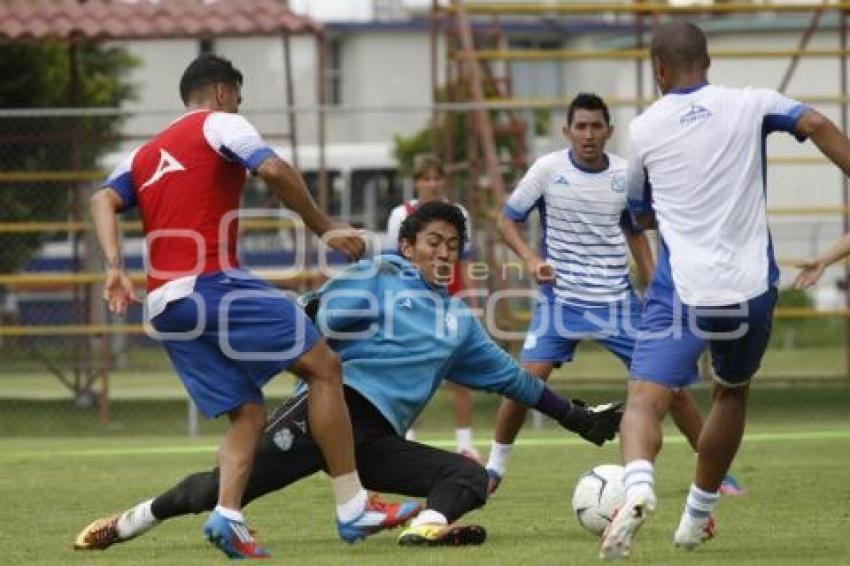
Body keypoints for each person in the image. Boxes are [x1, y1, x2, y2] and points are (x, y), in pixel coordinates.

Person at [73, 201, 624, 551]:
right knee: (215, 490)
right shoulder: (381, 273)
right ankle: (129, 522)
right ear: (407, 246)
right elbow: (312, 317)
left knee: (469, 479)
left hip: (376, 440)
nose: (443, 253)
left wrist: (578, 418)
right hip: (326, 413)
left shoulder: (458, 323)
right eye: (433, 241)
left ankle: (426, 529)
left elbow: (514, 380)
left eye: (453, 248)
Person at [82, 54, 415, 559]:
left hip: (166, 307)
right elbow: (274, 169)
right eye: (238, 95)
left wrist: (113, 266)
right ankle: (353, 505)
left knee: (249, 414)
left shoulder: (143, 154)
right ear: (221, 92)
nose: (240, 105)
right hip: (212, 282)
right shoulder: (222, 123)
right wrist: (324, 226)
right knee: (325, 368)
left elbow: (101, 200)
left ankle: (228, 516)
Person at [600, 22, 850, 560]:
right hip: (750, 288)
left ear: (658, 70)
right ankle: (695, 518)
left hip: (683, 290)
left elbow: (637, 216)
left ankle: (639, 481)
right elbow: (817, 120)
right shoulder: (753, 103)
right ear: (708, 62)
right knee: (730, 392)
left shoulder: (643, 130)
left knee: (644, 401)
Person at [484, 93, 742, 497]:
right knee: (524, 384)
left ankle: (716, 474)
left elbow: (636, 233)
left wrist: (660, 289)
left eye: (596, 127)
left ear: (609, 131)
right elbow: (506, 220)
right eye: (580, 127)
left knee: (670, 386)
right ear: (567, 131)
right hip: (560, 302)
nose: (588, 135)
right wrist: (532, 258)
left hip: (618, 304)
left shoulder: (626, 175)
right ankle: (493, 468)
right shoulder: (547, 170)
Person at [386, 154, 481, 461]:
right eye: (425, 178)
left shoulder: (458, 213)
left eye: (436, 177)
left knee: (459, 372)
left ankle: (465, 443)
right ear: (416, 182)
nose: (431, 183)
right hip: (414, 303)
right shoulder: (400, 214)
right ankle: (405, 438)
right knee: (407, 371)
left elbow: (466, 261)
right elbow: (395, 264)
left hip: (449, 301)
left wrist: (471, 299)